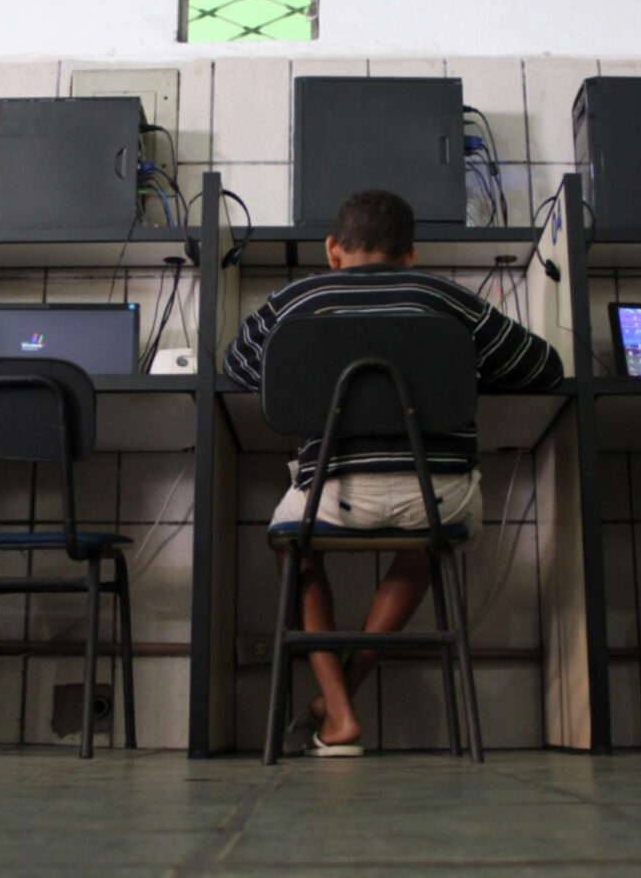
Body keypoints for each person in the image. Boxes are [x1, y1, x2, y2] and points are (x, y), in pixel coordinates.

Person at [224, 189, 563, 756]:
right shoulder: (446, 299)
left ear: (332, 250)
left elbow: (235, 366)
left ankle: (337, 706)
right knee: (425, 544)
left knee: (295, 547)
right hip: (437, 499)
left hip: (329, 499)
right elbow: (543, 367)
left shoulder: (295, 301)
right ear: (410, 255)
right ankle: (341, 700)